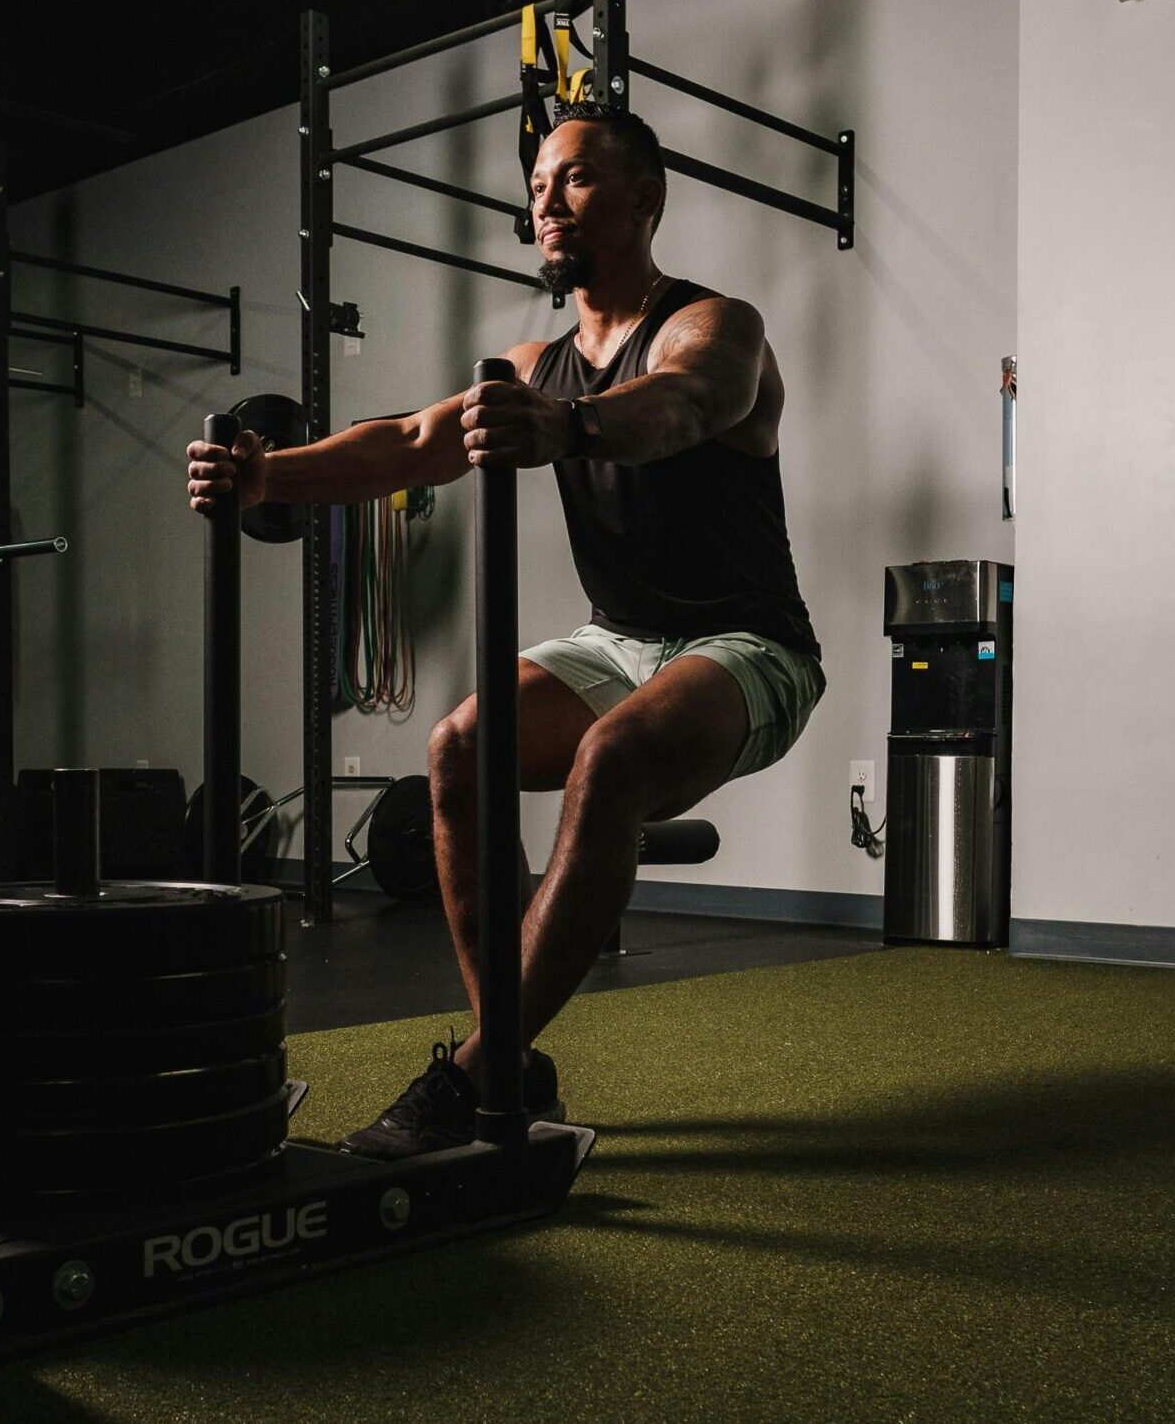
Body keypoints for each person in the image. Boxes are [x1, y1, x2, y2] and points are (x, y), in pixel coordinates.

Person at [187, 106, 825, 1157]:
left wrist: (571, 427)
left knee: (610, 760)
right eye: (538, 188)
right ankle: (507, 1060)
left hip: (750, 647)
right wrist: (268, 474)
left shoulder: (714, 326)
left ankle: (478, 1069)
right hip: (619, 639)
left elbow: (686, 406)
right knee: (459, 749)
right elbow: (408, 442)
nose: (547, 203)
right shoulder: (533, 360)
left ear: (644, 198)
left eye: (574, 181)